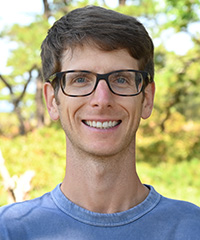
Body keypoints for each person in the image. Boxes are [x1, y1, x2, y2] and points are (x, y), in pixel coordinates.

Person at [0, 5, 200, 240]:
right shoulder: (9, 230)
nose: (102, 100)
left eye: (121, 79)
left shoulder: (192, 228)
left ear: (146, 98)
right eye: (81, 79)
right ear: (52, 101)